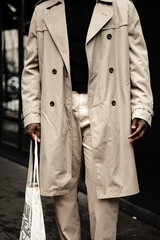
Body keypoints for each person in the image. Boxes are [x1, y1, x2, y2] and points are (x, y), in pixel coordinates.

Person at [21, 0, 153, 239]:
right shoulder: (43, 10)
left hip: (105, 106)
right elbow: (32, 68)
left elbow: (139, 62)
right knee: (63, 190)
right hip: (58, 106)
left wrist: (142, 108)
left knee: (105, 192)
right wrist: (31, 113)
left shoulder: (121, 6)